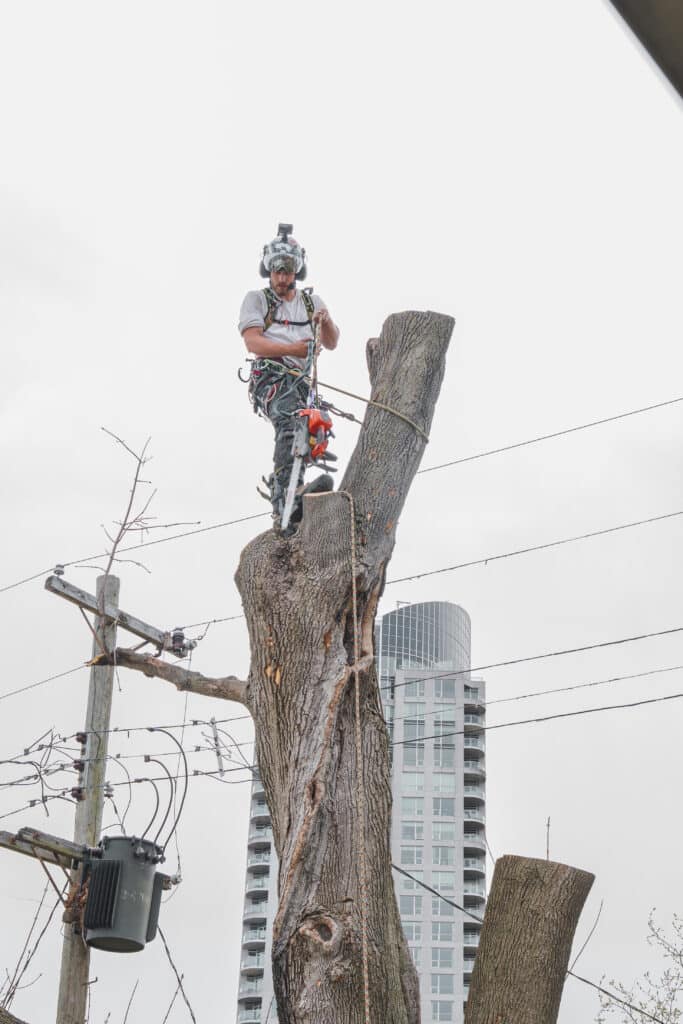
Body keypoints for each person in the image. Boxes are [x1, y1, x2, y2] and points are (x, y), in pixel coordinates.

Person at [239, 225, 340, 526]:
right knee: (288, 420)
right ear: (269, 269)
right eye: (277, 271)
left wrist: (325, 322)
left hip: (300, 383)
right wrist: (293, 349)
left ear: (297, 270)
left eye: (288, 270)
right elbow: (252, 341)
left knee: (309, 431)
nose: (282, 277)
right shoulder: (257, 300)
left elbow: (332, 341)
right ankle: (284, 494)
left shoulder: (311, 303)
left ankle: (296, 489)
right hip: (271, 376)